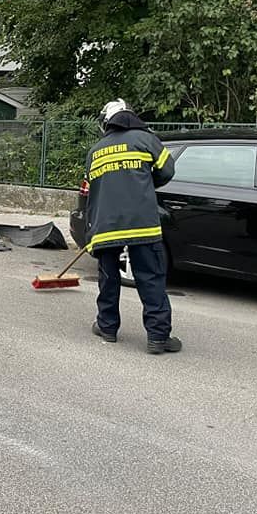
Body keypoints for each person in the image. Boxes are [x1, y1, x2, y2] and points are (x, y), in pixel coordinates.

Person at [84, 99, 181, 354]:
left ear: (105, 122)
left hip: (106, 226)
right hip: (142, 224)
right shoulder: (145, 139)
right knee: (150, 279)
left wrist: (90, 232)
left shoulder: (95, 150)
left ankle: (107, 327)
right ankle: (158, 338)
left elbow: (94, 191)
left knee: (108, 278)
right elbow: (167, 171)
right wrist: (143, 182)